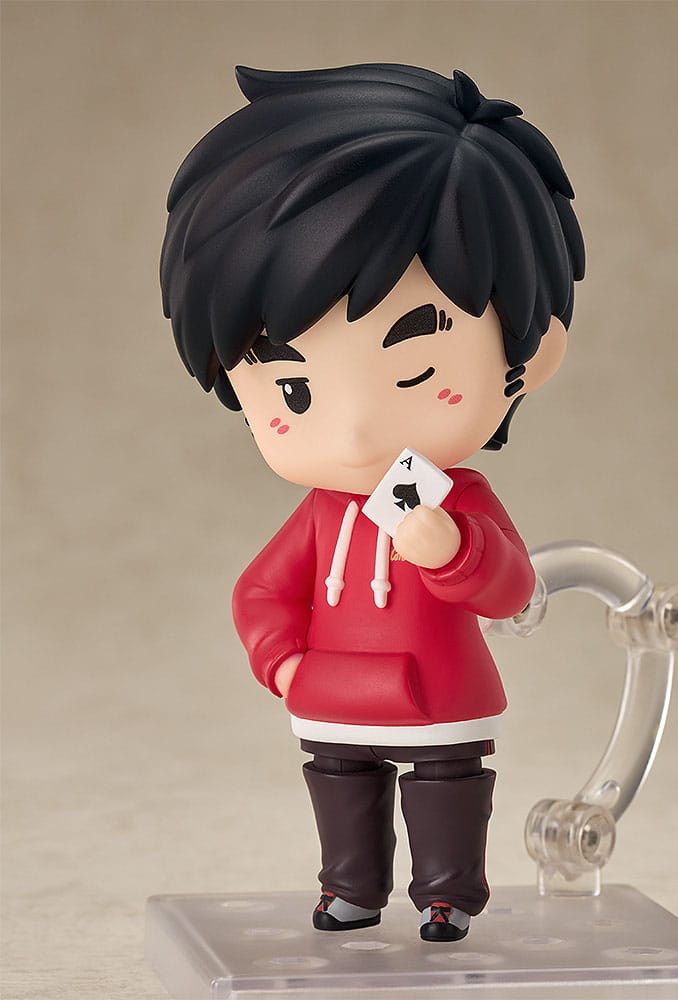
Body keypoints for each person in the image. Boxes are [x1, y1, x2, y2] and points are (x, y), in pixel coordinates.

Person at [160, 62, 584, 942]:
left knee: (447, 790)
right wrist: (282, 662)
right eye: (293, 390)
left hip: (440, 694)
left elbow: (510, 589)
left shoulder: (458, 497)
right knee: (341, 787)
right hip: (334, 695)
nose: (354, 433)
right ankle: (350, 887)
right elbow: (260, 590)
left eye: (417, 370)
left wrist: (453, 550)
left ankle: (448, 893)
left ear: (533, 354)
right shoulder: (323, 513)